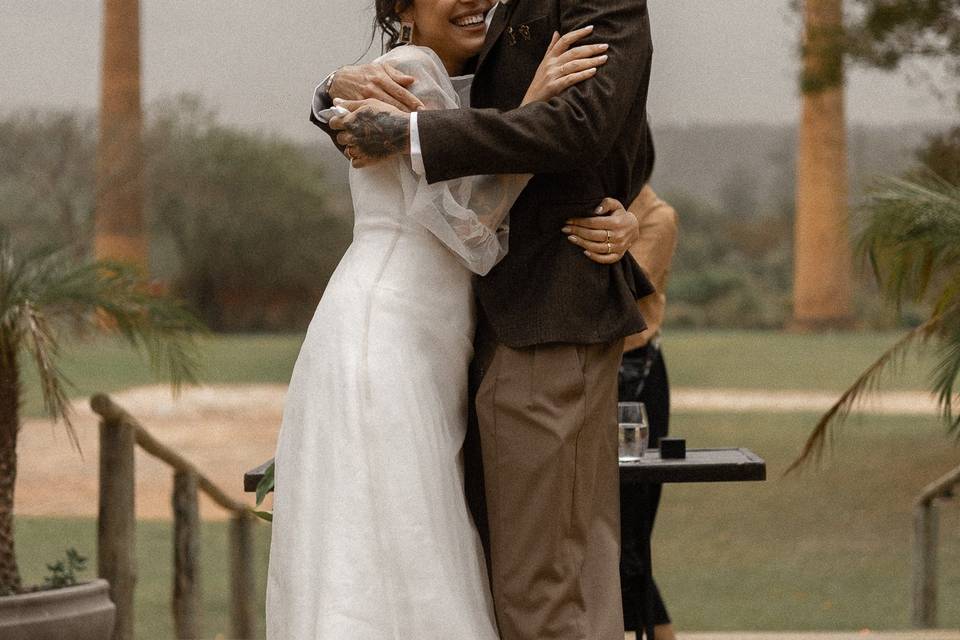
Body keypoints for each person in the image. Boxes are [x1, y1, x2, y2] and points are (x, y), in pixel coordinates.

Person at [265, 2, 646, 639]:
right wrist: (535, 102)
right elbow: (469, 226)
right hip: (390, 328)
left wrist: (623, 210)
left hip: (427, 329)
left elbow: (598, 131)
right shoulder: (407, 70)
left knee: (399, 526)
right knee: (401, 532)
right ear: (403, 9)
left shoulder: (445, 71)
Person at [618, 130, 680, 640]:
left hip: (634, 379)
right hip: (596, 375)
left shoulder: (655, 217)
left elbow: (622, 291)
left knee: (631, 540)